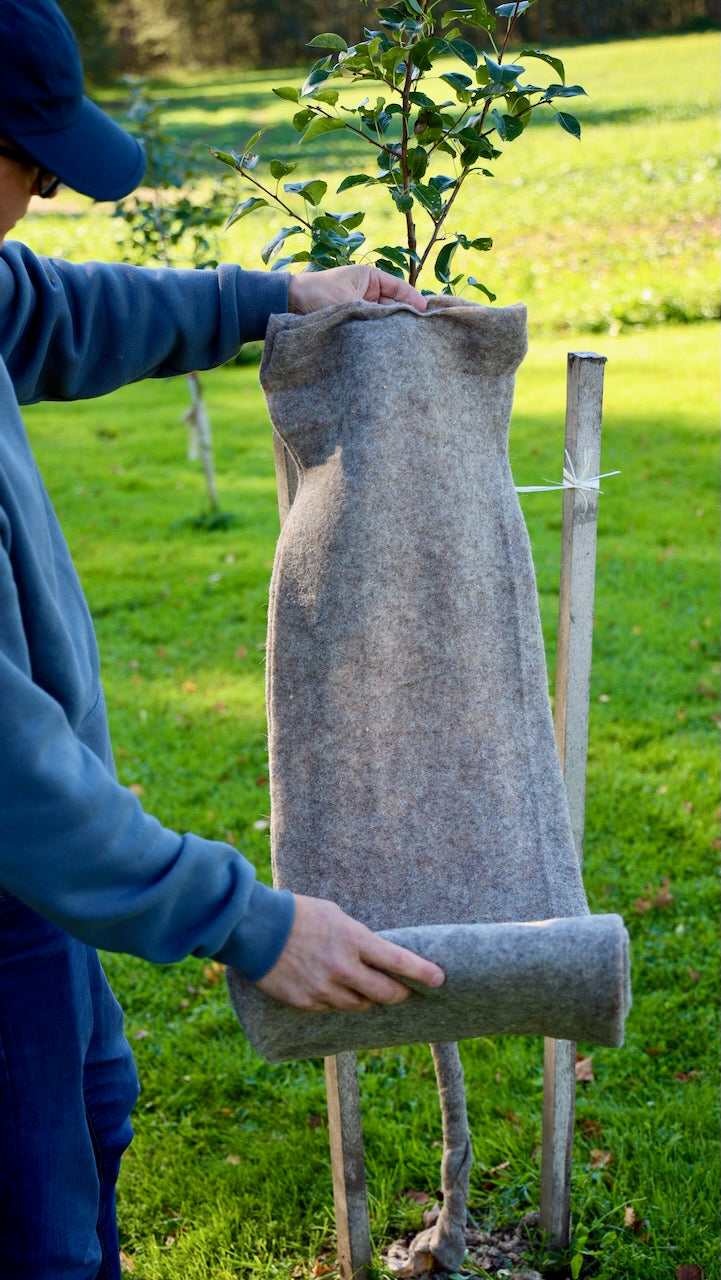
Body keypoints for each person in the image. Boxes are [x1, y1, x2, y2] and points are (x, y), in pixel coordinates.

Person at [0, 1, 444, 1274]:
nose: (44, 193)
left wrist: (273, 297)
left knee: (97, 1118)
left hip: (35, 884)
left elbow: (52, 312)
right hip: (16, 862)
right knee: (37, 1235)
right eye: (29, 161)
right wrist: (246, 916)